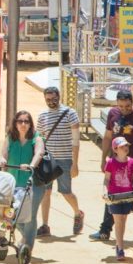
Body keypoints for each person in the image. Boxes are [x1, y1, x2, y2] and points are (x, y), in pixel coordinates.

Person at [91, 90, 133, 242]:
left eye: (127, 106)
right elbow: (108, 136)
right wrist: (103, 159)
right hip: (117, 162)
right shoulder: (113, 114)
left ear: (132, 102)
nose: (124, 109)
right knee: (113, 195)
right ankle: (105, 230)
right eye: (121, 106)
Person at [36, 87, 84, 237]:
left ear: (59, 97)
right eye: (48, 99)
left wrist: (75, 163)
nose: (51, 102)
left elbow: (76, 141)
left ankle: (78, 213)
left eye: (53, 99)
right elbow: (40, 139)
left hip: (64, 159)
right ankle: (45, 225)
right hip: (48, 159)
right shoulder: (42, 116)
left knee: (66, 192)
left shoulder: (70, 113)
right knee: (46, 192)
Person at [0, 110, 45, 253]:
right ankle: (25, 239)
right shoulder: (10, 138)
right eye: (20, 121)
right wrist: (2, 160)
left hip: (33, 184)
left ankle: (27, 248)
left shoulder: (36, 138)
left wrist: (31, 165)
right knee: (10, 214)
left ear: (30, 124)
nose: (23, 124)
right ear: (15, 123)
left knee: (29, 216)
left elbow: (39, 153)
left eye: (26, 121)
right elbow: (3, 153)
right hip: (12, 183)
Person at [103, 137, 133, 261]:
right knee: (118, 220)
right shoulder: (110, 163)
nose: (125, 148)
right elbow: (107, 179)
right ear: (115, 149)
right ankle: (120, 248)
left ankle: (119, 244)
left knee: (123, 220)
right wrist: (104, 192)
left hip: (128, 195)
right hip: (114, 196)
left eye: (126, 146)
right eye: (122, 146)